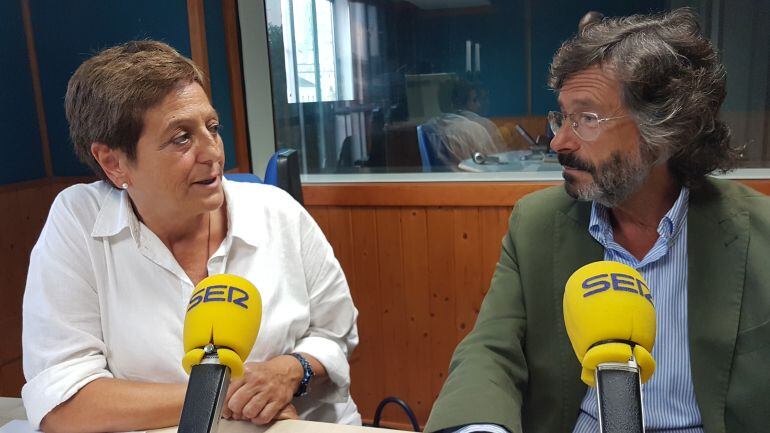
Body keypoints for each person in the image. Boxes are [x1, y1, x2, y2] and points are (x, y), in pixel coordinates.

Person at [425, 8, 769, 433]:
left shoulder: (758, 232)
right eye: (562, 117)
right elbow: (491, 350)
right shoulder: (535, 224)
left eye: (587, 119)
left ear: (667, 130)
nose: (559, 141)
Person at [21, 40, 361, 433]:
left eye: (212, 127)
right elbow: (63, 402)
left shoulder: (279, 212)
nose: (213, 152)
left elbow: (336, 336)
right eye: (181, 137)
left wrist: (293, 370)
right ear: (113, 162)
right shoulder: (79, 223)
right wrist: (224, 397)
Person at [426, 79, 508, 169]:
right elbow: (500, 164)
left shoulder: (429, 127)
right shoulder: (478, 128)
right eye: (474, 100)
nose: (479, 105)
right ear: (458, 102)